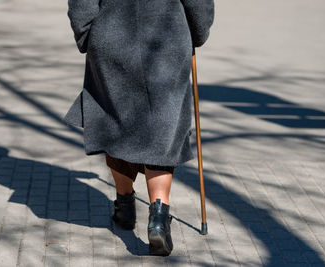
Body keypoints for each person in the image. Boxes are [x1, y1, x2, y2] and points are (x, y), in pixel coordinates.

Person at [64, 0, 214, 256]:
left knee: (115, 124)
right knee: (163, 128)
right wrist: (196, 32)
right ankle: (158, 216)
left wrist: (88, 32)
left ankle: (125, 207)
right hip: (167, 36)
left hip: (111, 36)